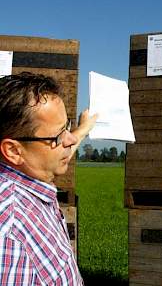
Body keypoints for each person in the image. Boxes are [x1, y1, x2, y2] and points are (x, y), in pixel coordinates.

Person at [0, 72, 97, 285]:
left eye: (67, 127)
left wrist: (84, 128)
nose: (70, 140)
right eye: (58, 136)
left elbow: (62, 146)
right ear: (14, 151)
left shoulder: (31, 173)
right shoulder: (10, 236)